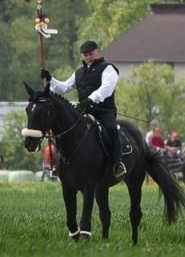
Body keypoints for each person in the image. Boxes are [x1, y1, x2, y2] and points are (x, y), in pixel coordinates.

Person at [47, 39, 126, 179]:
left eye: (91, 53)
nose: (88, 56)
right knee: (64, 130)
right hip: (83, 111)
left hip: (104, 111)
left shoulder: (108, 68)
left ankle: (117, 163)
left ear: (98, 51)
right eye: (85, 54)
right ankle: (60, 163)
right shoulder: (79, 72)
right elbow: (64, 87)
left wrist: (90, 99)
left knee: (112, 129)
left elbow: (106, 89)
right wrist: (50, 79)